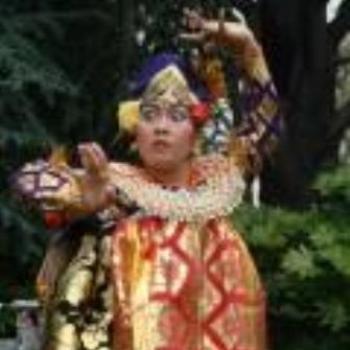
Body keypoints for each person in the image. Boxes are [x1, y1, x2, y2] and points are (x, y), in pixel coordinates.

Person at [13, 8, 282, 350]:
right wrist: (84, 201)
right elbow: (29, 181)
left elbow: (266, 127)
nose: (161, 126)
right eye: (149, 115)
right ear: (133, 130)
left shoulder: (218, 178)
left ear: (195, 131)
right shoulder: (118, 184)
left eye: (177, 115)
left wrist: (249, 48)